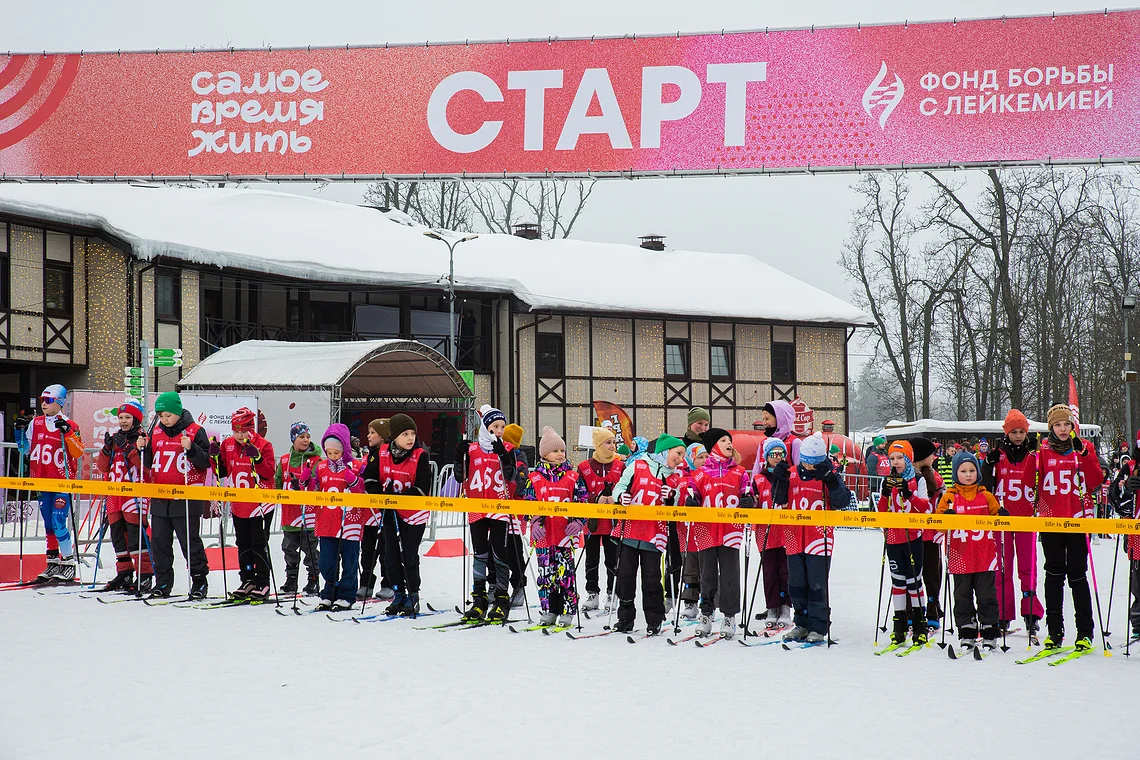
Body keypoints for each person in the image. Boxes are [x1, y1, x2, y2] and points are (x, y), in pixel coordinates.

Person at [1036, 404, 1104, 652]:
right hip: (1051, 519)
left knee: (1077, 574)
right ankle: (1054, 631)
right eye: (1058, 425)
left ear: (1073, 426)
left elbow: (1096, 480)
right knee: (1053, 574)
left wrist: (1084, 456)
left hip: (1078, 518)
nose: (1063, 429)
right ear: (1051, 428)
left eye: (1067, 424)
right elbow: (1030, 482)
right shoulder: (1042, 451)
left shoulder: (1085, 448)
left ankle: (1085, 632)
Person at [137, 391, 211, 599]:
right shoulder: (157, 433)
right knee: (160, 542)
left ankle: (199, 581)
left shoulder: (195, 431)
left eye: (168, 415)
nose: (164, 420)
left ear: (178, 412)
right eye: (160, 416)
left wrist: (192, 448)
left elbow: (206, 462)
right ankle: (163, 582)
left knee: (189, 542)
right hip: (161, 496)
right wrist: (142, 449)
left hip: (186, 496)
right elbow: (150, 463)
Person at [611, 435, 686, 635]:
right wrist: (621, 496)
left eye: (683, 455)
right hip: (630, 531)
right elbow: (620, 486)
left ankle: (654, 619)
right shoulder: (638, 465)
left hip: (655, 534)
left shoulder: (675, 477)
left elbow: (678, 503)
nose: (680, 459)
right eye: (678, 453)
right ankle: (625, 618)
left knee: (651, 578)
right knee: (625, 576)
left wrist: (671, 496)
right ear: (665, 450)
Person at [980, 409, 1044, 638]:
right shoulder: (998, 455)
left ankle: (1031, 614)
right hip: (1002, 518)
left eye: (1021, 431)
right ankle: (1002, 614)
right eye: (1013, 431)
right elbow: (984, 487)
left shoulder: (1033, 455)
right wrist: (987, 465)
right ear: (1006, 432)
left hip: (1025, 519)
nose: (1018, 436)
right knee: (1003, 568)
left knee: (1028, 567)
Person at [13, 384, 84, 584]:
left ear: (60, 402)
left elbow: (78, 452)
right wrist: (19, 432)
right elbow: (24, 450)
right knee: (48, 523)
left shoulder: (69, 423)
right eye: (42, 399)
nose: (44, 403)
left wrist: (68, 433)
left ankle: (68, 563)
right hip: (42, 479)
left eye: (49, 400)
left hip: (62, 480)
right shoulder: (35, 423)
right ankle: (52, 562)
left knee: (59, 520)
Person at [687, 428, 753, 638]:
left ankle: (729, 616)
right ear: (713, 445)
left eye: (730, 440)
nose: (729, 443)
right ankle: (706, 613)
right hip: (706, 531)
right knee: (707, 575)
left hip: (730, 531)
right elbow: (692, 495)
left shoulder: (740, 472)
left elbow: (748, 493)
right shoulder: (699, 474)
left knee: (730, 574)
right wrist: (691, 502)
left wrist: (749, 501)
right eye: (723, 440)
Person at [936, 450, 1004, 651]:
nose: (968, 475)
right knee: (962, 595)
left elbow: (997, 517)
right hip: (960, 556)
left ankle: (990, 630)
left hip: (984, 555)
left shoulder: (986, 495)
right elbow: (938, 525)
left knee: (986, 594)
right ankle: (967, 631)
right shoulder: (949, 497)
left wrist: (1001, 514)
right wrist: (945, 517)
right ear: (956, 473)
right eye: (963, 471)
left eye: (972, 470)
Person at [455, 404, 517, 623]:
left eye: (502, 426)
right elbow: (459, 476)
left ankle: (501, 598)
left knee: (499, 552)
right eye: (494, 426)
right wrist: (458, 455)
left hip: (499, 507)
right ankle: (479, 600)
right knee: (479, 553)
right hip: (477, 506)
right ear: (485, 427)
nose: (499, 431)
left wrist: (504, 456)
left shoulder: (507, 448)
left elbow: (511, 476)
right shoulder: (472, 450)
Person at [782, 433, 846, 644]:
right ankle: (801, 622)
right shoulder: (792, 474)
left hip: (819, 539)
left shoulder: (829, 474)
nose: (809, 467)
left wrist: (832, 482)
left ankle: (818, 626)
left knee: (817, 584)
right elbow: (780, 500)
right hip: (793, 537)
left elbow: (842, 501)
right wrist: (779, 481)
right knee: (796, 583)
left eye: (814, 463)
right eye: (806, 462)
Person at [526, 427, 589, 627]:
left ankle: (567, 610)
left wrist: (579, 521)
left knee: (565, 573)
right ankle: (549, 609)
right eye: (555, 451)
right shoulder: (534, 477)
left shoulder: (572, 476)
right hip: (544, 534)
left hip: (564, 534)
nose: (560, 454)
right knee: (546, 573)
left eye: (562, 450)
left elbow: (583, 501)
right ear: (545, 454)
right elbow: (528, 502)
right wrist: (534, 521)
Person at [211, 407, 276, 600]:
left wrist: (257, 458)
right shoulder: (228, 444)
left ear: (251, 428)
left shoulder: (263, 445)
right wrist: (213, 456)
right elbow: (221, 471)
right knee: (243, 544)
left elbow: (269, 473)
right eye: (236, 430)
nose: (240, 435)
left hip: (260, 505)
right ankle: (247, 579)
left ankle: (262, 581)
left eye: (243, 430)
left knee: (258, 544)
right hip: (239, 505)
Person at [876, 439, 932, 647]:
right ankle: (898, 626)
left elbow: (926, 509)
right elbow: (882, 512)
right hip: (893, 538)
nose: (896, 462)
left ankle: (919, 626)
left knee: (914, 582)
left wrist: (908, 494)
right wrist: (884, 493)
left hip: (912, 538)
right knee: (898, 583)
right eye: (892, 458)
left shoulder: (918, 480)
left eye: (900, 458)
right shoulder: (888, 480)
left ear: (908, 459)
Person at [377, 414, 434, 617]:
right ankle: (398, 593)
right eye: (405, 434)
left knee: (408, 555)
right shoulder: (382, 452)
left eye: (412, 434)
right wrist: (379, 492)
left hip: (413, 515)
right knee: (390, 556)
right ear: (394, 436)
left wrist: (399, 496)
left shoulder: (420, 455)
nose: (410, 438)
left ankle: (413, 594)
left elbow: (422, 486)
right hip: (391, 513)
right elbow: (370, 477)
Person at [306, 424, 366, 611]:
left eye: (336, 452)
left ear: (345, 450)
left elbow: (363, 491)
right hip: (327, 521)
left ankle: (347, 594)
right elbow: (314, 490)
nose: (332, 456)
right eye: (329, 452)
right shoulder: (322, 466)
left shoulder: (354, 466)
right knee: (326, 561)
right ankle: (329, 592)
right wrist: (306, 481)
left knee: (349, 559)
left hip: (350, 521)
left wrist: (355, 481)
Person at [95, 400, 152, 593]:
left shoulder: (142, 438)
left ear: (136, 419)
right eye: (120, 417)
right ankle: (125, 572)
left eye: (128, 417)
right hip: (115, 493)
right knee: (118, 535)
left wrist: (129, 449)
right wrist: (106, 449)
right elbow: (102, 467)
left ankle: (145, 573)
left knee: (136, 535)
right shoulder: (117, 438)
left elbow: (146, 468)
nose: (123, 421)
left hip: (134, 493)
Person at [578, 426, 624, 613]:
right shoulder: (584, 467)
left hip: (613, 523)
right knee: (592, 559)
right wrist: (595, 499)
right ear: (598, 445)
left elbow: (627, 490)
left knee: (612, 559)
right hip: (593, 522)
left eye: (614, 442)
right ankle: (592, 592)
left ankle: (612, 593)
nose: (613, 446)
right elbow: (579, 494)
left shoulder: (621, 466)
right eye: (608, 442)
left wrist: (616, 498)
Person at [275, 422, 322, 596]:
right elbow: (278, 481)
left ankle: (313, 579)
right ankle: (291, 579)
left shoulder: (316, 460)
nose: (305, 440)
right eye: (301, 437)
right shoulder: (285, 460)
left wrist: (303, 486)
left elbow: (318, 485)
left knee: (309, 548)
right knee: (289, 548)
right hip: (290, 513)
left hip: (308, 515)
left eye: (308, 437)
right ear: (293, 439)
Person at [753, 437, 792, 629]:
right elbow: (754, 500)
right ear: (766, 457)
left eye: (781, 454)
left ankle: (785, 606)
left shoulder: (790, 475)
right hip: (766, 532)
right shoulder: (759, 478)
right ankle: (772, 607)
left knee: (785, 571)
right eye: (773, 454)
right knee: (769, 572)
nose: (777, 458)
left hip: (785, 532)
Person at [910, 436, 945, 629]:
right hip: (914, 533)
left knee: (932, 573)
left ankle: (933, 607)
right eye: (932, 454)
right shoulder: (908, 477)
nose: (935, 457)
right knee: (913, 573)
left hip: (931, 534)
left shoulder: (936, 476)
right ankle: (912, 609)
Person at [358, 418, 393, 601]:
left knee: (386, 551)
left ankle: (388, 583)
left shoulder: (388, 454)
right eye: (368, 432)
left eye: (373, 432)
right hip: (369, 513)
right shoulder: (368, 455)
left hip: (384, 512)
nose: (368, 436)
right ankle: (365, 583)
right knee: (368, 550)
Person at [676, 442, 708, 619]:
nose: (703, 461)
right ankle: (690, 602)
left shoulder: (708, 477)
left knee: (706, 567)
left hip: (704, 530)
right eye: (699, 457)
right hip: (686, 530)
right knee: (689, 567)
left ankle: (707, 601)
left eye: (705, 457)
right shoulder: (683, 478)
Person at [501, 422, 530, 608]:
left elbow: (522, 485)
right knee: (496, 550)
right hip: (498, 511)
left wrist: (512, 474)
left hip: (514, 513)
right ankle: (495, 586)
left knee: (513, 550)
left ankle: (519, 586)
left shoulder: (519, 458)